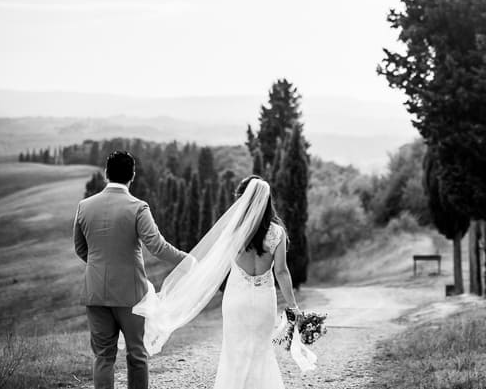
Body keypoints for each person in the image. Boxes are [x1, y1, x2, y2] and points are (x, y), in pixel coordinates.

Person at [133, 175, 309, 388]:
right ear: (267, 201)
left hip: (236, 300)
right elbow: (282, 271)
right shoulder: (277, 232)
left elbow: (215, 265)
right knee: (261, 351)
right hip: (264, 301)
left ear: (242, 200)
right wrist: (294, 307)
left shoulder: (234, 231)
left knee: (234, 352)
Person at [73, 150, 188, 389]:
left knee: (103, 357)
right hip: (131, 295)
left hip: (95, 292)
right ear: (132, 176)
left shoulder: (84, 206)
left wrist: (99, 265)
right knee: (137, 355)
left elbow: (80, 248)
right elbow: (157, 246)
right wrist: (187, 260)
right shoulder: (138, 207)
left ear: (106, 174)